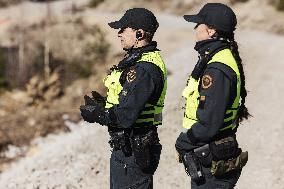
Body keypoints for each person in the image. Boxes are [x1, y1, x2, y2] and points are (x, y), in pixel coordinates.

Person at [80, 8, 167, 189]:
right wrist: (105, 104)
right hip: (130, 149)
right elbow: (131, 101)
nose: (118, 34)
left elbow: (126, 116)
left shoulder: (143, 69)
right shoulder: (138, 61)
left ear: (139, 34)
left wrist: (97, 114)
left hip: (134, 151)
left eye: (123, 29)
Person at [175, 3, 250, 189]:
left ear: (210, 31)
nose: (195, 29)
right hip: (214, 151)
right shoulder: (217, 57)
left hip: (212, 159)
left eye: (198, 24)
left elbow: (209, 123)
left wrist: (184, 141)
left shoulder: (216, 69)